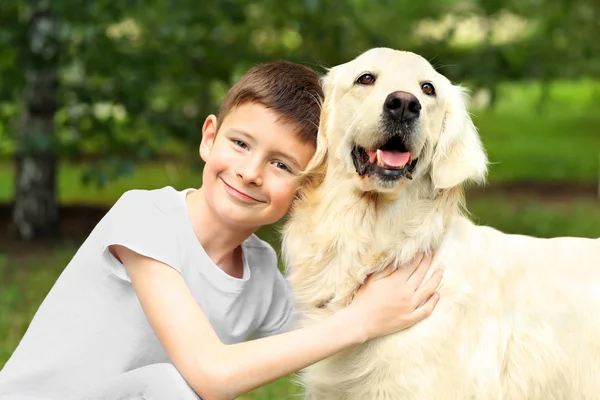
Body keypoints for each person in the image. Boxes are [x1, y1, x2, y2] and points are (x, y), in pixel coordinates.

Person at [0, 61, 442, 400]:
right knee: (170, 385)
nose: (251, 172)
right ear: (209, 137)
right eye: (240, 144)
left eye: (281, 165)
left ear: (310, 183)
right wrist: (361, 321)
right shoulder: (144, 216)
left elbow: (324, 347)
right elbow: (211, 374)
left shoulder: (262, 275)